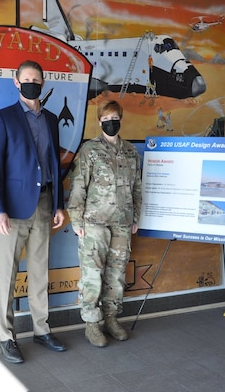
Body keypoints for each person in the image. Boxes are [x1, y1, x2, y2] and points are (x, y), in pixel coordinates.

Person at [0, 60, 67, 364]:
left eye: (37, 79)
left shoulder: (51, 120)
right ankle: (7, 338)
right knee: (7, 276)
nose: (32, 83)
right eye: (27, 79)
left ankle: (41, 330)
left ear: (43, 84)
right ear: (17, 83)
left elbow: (55, 167)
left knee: (39, 272)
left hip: (45, 205)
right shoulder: (3, 118)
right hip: (13, 211)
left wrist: (59, 204)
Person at [67, 100, 142, 348]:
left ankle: (111, 319)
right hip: (94, 223)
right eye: (106, 118)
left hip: (122, 222)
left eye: (115, 117)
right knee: (92, 275)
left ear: (121, 118)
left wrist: (135, 218)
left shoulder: (131, 152)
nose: (111, 122)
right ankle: (91, 323)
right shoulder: (90, 150)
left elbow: (137, 188)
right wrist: (76, 219)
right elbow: (78, 186)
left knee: (117, 274)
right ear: (99, 121)